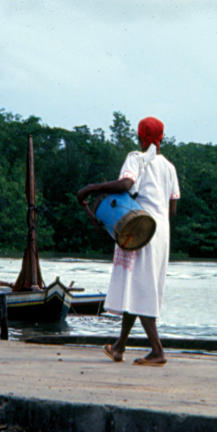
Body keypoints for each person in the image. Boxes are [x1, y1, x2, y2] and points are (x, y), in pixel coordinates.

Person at [76, 116, 180, 367]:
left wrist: (90, 189)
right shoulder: (169, 166)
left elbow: (126, 183)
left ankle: (157, 351)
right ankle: (119, 346)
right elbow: (172, 209)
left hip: (140, 228)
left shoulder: (136, 158)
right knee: (139, 288)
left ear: (139, 138)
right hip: (161, 233)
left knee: (142, 291)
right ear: (161, 138)